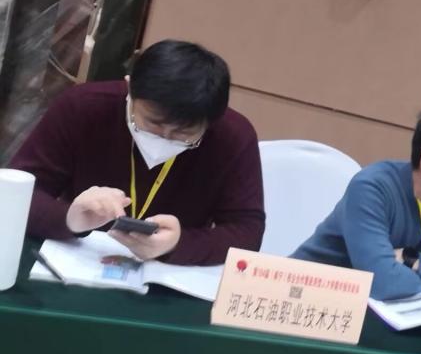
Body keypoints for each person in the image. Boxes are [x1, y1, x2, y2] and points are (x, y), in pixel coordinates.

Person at [9, 39, 264, 265]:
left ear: (211, 121)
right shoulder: (83, 107)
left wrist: (179, 244)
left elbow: (247, 231)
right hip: (76, 259)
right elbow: (12, 196)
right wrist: (69, 218)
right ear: (130, 88)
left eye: (183, 132)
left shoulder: (233, 136)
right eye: (152, 123)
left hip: (169, 277)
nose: (164, 137)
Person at [291, 104, 421, 300]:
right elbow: (382, 283)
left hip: (383, 307)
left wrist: (413, 260)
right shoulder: (372, 187)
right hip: (308, 296)